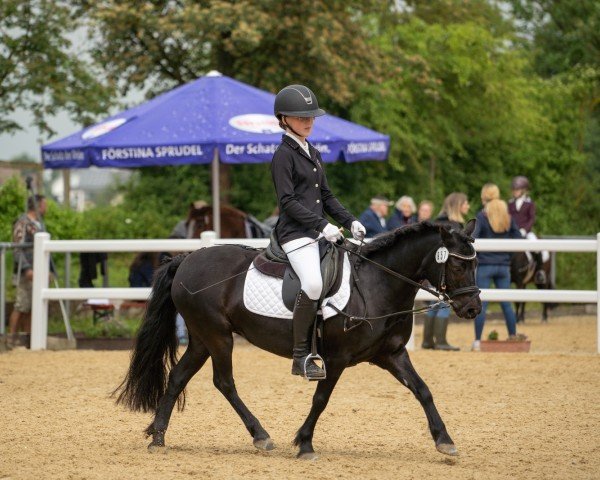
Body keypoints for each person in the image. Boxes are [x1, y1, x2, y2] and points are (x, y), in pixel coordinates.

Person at [271, 84, 366, 380]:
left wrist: (350, 221)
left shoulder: (312, 151)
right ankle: (301, 357)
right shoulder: (282, 155)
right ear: (284, 119)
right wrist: (322, 225)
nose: (308, 122)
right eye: (302, 117)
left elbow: (326, 196)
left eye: (311, 117)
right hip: (296, 234)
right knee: (312, 284)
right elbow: (287, 202)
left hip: (318, 232)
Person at [472, 187, 523, 351]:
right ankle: (513, 337)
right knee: (506, 304)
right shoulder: (507, 215)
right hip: (504, 266)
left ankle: (478, 341)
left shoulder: (482, 215)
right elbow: (518, 237)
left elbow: (473, 238)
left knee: (482, 304)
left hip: (485, 265)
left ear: (484, 197)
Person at [422, 193, 470, 351]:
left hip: (433, 269)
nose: (467, 206)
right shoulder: (455, 226)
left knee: (433, 303)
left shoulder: (437, 221)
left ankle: (427, 340)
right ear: (457, 205)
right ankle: (441, 340)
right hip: (446, 271)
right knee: (444, 302)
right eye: (465, 203)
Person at [8, 194, 47, 347]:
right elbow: (18, 248)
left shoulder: (38, 224)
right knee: (21, 304)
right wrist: (27, 269)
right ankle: (10, 337)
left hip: (37, 269)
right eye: (44, 204)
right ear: (37, 205)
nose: (46, 207)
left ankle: (28, 338)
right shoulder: (23, 223)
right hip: (26, 272)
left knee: (32, 306)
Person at [508, 176, 546, 284]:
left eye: (517, 189)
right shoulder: (510, 203)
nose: (514, 192)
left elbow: (532, 218)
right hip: (513, 233)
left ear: (523, 190)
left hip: (526, 232)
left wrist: (524, 230)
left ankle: (540, 271)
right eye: (513, 189)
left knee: (536, 247)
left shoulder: (529, 203)